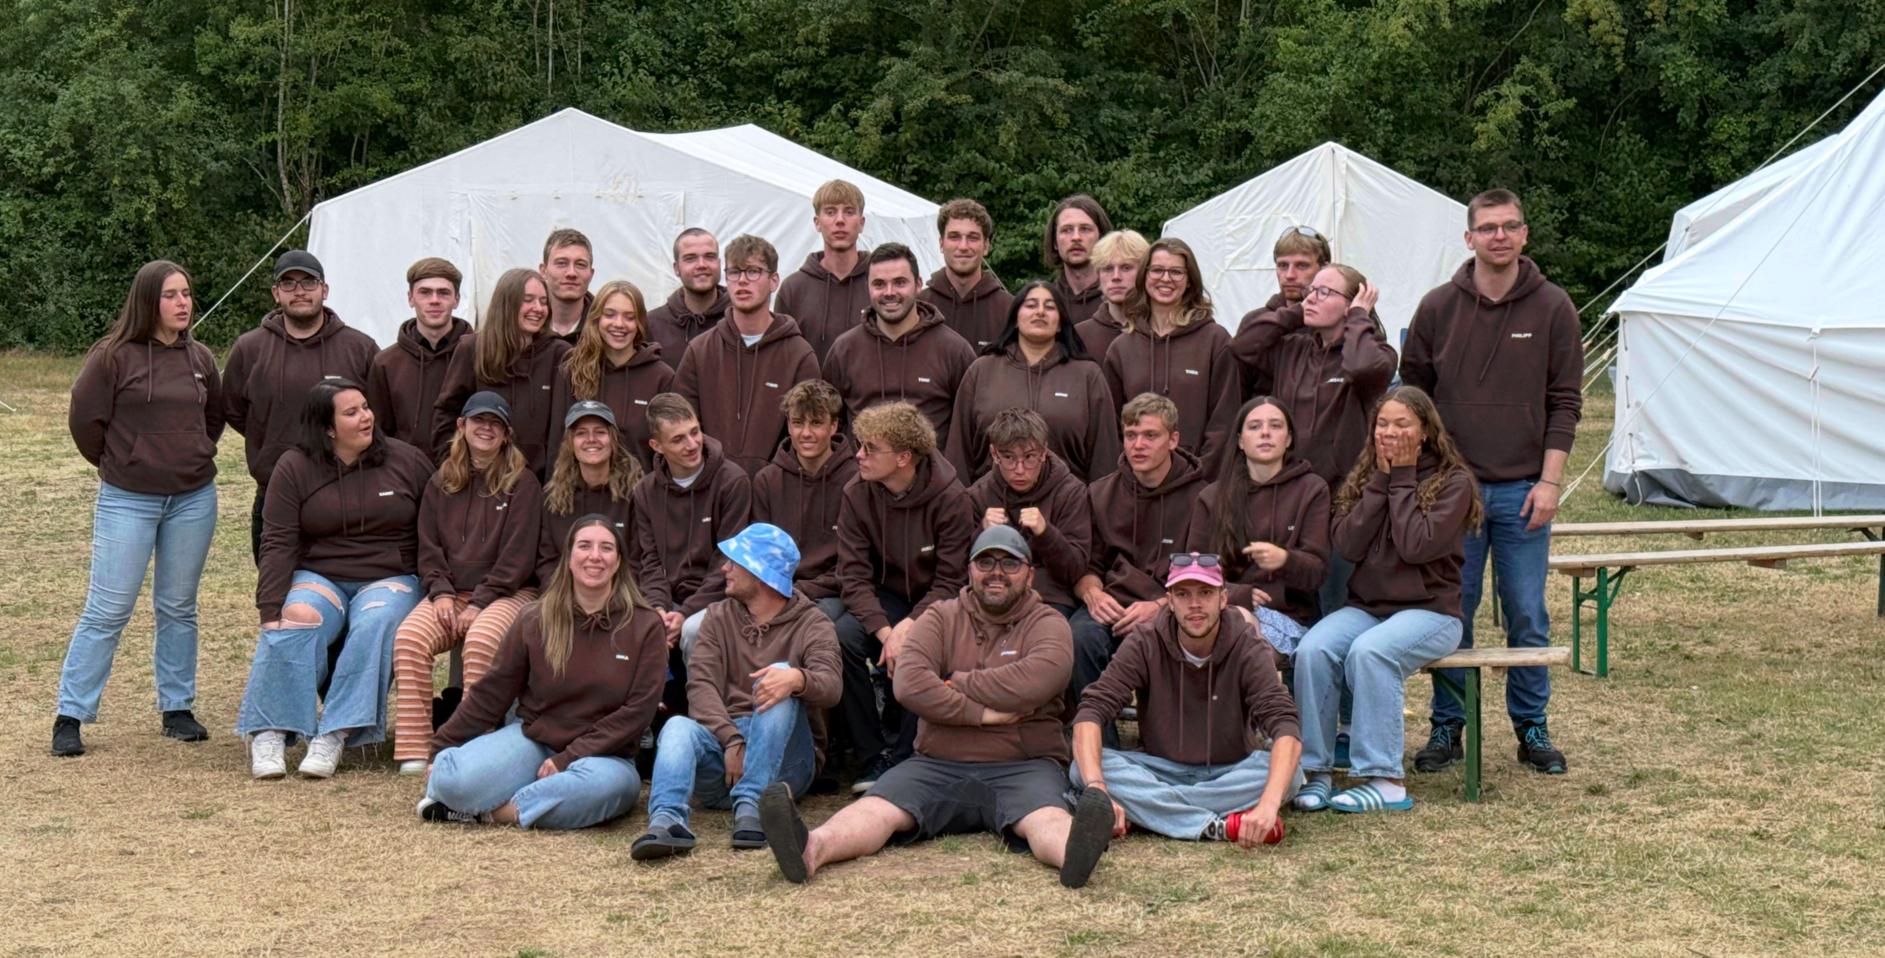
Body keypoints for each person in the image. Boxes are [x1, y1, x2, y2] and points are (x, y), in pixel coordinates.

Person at [762, 525, 1115, 888]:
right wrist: (981, 714)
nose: (996, 572)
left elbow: (1040, 679)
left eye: (1009, 564)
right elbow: (910, 684)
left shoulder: (1049, 623)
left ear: (1029, 574)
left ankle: (1074, 857)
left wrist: (955, 681)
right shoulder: (940, 617)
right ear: (969, 570)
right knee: (875, 808)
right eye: (985, 562)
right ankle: (810, 849)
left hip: (1023, 764)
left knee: (1047, 818)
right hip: (935, 763)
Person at [1401, 188, 1581, 776]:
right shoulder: (1435, 308)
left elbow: (1565, 403)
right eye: (1488, 227)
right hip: (1453, 491)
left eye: (1509, 227)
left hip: (1524, 489)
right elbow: (1414, 404)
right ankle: (1448, 726)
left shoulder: (1554, 308)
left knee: (1527, 612)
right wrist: (1428, 480)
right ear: (1469, 237)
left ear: (1525, 234)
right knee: (1452, 612)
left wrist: (1550, 483)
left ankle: (1532, 727)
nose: (1498, 236)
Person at [53, 260, 223, 757]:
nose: (183, 303)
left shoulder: (201, 357)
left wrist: (191, 452)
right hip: (128, 499)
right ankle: (71, 714)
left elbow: (212, 416)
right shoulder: (111, 357)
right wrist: (124, 461)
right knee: (108, 609)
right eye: (172, 295)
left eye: (187, 294)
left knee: (177, 606)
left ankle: (177, 708)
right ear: (149, 300)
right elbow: (86, 421)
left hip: (192, 498)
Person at [1292, 386, 1480, 814]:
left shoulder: (1454, 482)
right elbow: (1349, 546)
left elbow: (1416, 546)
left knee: (1371, 652)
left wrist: (1403, 476)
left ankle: (1384, 778)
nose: (1389, 432)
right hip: (1369, 608)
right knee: (1314, 649)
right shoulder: (1363, 479)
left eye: (1402, 424)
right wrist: (1381, 480)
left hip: (1431, 613)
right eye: (1382, 424)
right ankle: (1315, 771)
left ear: (1427, 432)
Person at [237, 379, 433, 779]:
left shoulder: (407, 461)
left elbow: (435, 529)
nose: (367, 417)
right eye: (352, 412)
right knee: (297, 616)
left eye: (365, 407)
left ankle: (334, 732)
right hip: (321, 574)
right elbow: (277, 542)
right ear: (328, 428)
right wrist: (269, 609)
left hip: (389, 576)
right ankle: (270, 730)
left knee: (375, 623)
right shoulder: (293, 467)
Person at [418, 516, 668, 829]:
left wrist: (568, 758)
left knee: (611, 789)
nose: (595, 556)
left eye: (606, 548)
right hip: (533, 741)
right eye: (585, 546)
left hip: (605, 758)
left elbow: (638, 713)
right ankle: (534, 798)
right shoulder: (535, 618)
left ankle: (491, 812)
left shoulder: (645, 625)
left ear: (618, 562)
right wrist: (440, 746)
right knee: (451, 780)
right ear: (569, 558)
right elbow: (491, 693)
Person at [633, 524, 844, 859]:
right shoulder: (717, 617)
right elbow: (700, 686)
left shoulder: (813, 623)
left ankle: (754, 807)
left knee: (779, 679)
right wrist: (732, 739)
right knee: (677, 727)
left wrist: (798, 680)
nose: (724, 569)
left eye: (735, 562)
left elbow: (832, 687)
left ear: (761, 573)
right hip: (726, 761)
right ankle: (667, 821)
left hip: (786, 765)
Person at [1071, 553, 1304, 843]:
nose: (1194, 604)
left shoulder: (1246, 643)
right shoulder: (1145, 640)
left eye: (1205, 593)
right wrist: (1097, 788)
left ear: (1223, 598)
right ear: (1169, 601)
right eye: (1183, 594)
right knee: (1084, 769)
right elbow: (1092, 709)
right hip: (1161, 768)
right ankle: (1218, 826)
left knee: (1291, 774)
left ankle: (1150, 812)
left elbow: (1284, 723)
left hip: (1230, 770)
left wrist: (1269, 804)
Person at [1230, 264, 1396, 618]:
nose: (1312, 297)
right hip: (1292, 500)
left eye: (1325, 292)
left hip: (1344, 504)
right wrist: (1295, 312)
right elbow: (1243, 345)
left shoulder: (1377, 352)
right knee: (1294, 608)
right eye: (1311, 290)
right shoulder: (1292, 349)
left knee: (1337, 607)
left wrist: (1357, 320)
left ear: (1353, 304)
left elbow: (1362, 369)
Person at [391, 392, 543, 775]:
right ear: (462, 426)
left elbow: (518, 557)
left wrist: (481, 601)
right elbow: (428, 547)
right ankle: (415, 746)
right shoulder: (441, 481)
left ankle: (472, 744)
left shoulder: (523, 484)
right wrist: (440, 592)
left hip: (508, 593)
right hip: (450, 592)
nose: (486, 428)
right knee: (410, 638)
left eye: (495, 423)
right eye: (478, 420)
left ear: (507, 434)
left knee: (480, 641)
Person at [834, 401, 977, 791]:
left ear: (903, 457)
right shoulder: (856, 493)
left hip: (938, 601)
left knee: (927, 644)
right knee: (842, 637)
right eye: (859, 445)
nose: (858, 455)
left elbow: (952, 579)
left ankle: (908, 756)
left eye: (869, 448)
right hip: (883, 598)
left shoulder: (951, 497)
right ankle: (871, 755)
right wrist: (885, 632)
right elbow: (853, 576)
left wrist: (911, 626)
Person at [223, 250, 378, 561]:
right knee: (276, 593)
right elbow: (236, 411)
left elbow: (376, 413)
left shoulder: (359, 348)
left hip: (346, 489)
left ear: (325, 289)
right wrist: (271, 444)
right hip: (275, 492)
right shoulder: (249, 348)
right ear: (276, 293)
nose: (299, 292)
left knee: (341, 587)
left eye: (308, 282)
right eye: (289, 283)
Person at [1071, 393, 1206, 722]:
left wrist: (1160, 606)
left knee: (1179, 635)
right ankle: (1101, 751)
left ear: (1173, 440)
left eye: (1150, 435)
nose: (1138, 445)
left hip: (1175, 605)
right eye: (1131, 436)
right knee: (1079, 637)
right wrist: (1092, 593)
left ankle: (1170, 746)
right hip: (1114, 604)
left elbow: (1206, 573)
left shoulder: (1204, 496)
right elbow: (1087, 564)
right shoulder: (1100, 493)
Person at [1185, 397, 1332, 658]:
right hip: (1221, 609)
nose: (1265, 432)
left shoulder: (1312, 489)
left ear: (1288, 439)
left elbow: (1317, 573)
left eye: (1275, 425)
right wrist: (1238, 594)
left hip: (1289, 617)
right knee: (1229, 625)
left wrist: (1285, 559)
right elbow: (1194, 570)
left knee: (1238, 636)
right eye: (1254, 426)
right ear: (1240, 441)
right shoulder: (1212, 497)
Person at [674, 234, 821, 477]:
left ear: (774, 281)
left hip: (775, 490)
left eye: (753, 271)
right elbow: (681, 427)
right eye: (734, 272)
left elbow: (807, 436)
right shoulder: (700, 351)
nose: (742, 281)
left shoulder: (799, 355)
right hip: (713, 488)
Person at [946, 281, 1119, 482]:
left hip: (1067, 508)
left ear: (1061, 322)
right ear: (1015, 319)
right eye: (1031, 305)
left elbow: (1104, 459)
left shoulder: (1087, 376)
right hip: (991, 507)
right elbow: (959, 452)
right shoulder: (981, 371)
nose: (1040, 312)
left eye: (1049, 307)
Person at [1102, 237, 1240, 469]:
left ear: (1189, 281)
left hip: (1198, 481)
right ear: (1144, 276)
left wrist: (1200, 473)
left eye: (1176, 272)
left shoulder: (1215, 340)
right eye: (1157, 270)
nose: (1166, 279)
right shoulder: (1122, 348)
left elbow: (1225, 421)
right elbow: (1111, 425)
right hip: (1139, 482)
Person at [634, 393, 752, 657]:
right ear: (656, 445)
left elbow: (728, 561)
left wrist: (685, 612)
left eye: (695, 432)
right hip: (668, 598)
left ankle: (701, 699)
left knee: (692, 629)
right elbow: (650, 561)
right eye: (678, 439)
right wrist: (658, 608)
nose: (692, 444)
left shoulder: (733, 482)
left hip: (720, 597)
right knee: (637, 625)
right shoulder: (645, 491)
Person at [822, 242, 975, 438]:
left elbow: (969, 428)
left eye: (900, 282)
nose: (889, 292)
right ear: (867, 287)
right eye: (879, 284)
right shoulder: (844, 350)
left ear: (918, 285)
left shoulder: (954, 350)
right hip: (861, 468)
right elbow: (830, 424)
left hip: (931, 468)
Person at [431, 268, 571, 475]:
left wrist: (554, 483)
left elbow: (563, 428)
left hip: (539, 482)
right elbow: (447, 412)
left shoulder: (560, 354)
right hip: (480, 478)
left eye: (543, 301)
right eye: (528, 300)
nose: (538, 308)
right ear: (507, 303)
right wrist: (454, 466)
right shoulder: (473, 348)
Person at [966, 408, 1092, 618]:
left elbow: (1076, 571)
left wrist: (1046, 534)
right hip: (991, 600)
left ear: (1044, 452)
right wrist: (981, 533)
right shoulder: (978, 495)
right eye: (1008, 458)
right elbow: (959, 567)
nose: (1020, 469)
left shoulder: (1070, 492)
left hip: (1049, 600)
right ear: (994, 454)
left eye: (1029, 457)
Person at [751, 380, 857, 621]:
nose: (806, 433)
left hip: (831, 593)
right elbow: (761, 552)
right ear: (788, 426)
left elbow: (854, 564)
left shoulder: (856, 482)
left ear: (834, 426)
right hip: (775, 591)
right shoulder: (767, 480)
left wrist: (799, 593)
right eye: (798, 423)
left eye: (816, 423)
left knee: (803, 625)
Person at [549, 278, 675, 471]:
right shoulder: (573, 371)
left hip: (640, 496)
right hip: (581, 495)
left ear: (640, 323)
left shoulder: (661, 377)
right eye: (610, 315)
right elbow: (558, 443)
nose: (619, 324)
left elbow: (669, 449)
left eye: (629, 317)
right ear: (597, 318)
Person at [366, 257, 473, 451]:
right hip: (405, 474)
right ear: (410, 298)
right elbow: (380, 433)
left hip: (465, 472)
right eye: (425, 292)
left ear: (456, 300)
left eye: (443, 293)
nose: (434, 300)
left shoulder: (478, 356)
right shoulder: (386, 363)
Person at [537, 401, 643, 588]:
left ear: (613, 440)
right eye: (581, 433)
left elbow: (639, 560)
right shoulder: (552, 497)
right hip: (563, 596)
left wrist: (608, 597)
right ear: (570, 443)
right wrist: (567, 596)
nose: (591, 439)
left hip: (622, 596)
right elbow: (546, 560)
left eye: (600, 432)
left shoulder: (636, 493)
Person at [1233, 225, 1334, 399]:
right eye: (1282, 265)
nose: (1289, 275)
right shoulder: (1256, 322)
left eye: (1302, 266)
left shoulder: (1338, 320)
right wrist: (1296, 314)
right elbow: (1237, 391)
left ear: (1324, 269)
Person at [777, 179, 872, 360]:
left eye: (849, 212)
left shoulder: (881, 285)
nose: (840, 220)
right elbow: (782, 358)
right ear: (817, 222)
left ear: (861, 223)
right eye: (830, 212)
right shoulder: (793, 289)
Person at [917, 197, 1013, 351]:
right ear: (941, 244)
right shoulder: (919, 307)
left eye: (972, 238)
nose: (963, 246)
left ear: (986, 246)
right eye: (954, 237)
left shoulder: (1010, 310)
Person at [646, 227, 730, 371]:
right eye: (690, 258)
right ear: (676, 268)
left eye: (710, 256)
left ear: (720, 263)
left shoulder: (740, 319)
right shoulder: (652, 324)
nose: (702, 265)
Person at [1073, 229, 1147, 362]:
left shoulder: (1161, 330)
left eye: (1126, 268)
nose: (1116, 277)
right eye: (1108, 269)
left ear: (1144, 273)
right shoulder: (1079, 335)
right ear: (1098, 275)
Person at [1044, 194, 1113, 325]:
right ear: (1055, 242)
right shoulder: (1045, 305)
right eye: (1067, 230)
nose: (1076, 237)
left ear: (1102, 237)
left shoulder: (1120, 301)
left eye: (1085, 229)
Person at [540, 228, 597, 345]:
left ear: (591, 274)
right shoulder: (522, 328)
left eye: (580, 265)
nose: (571, 273)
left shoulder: (606, 330)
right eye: (561, 263)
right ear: (543, 271)